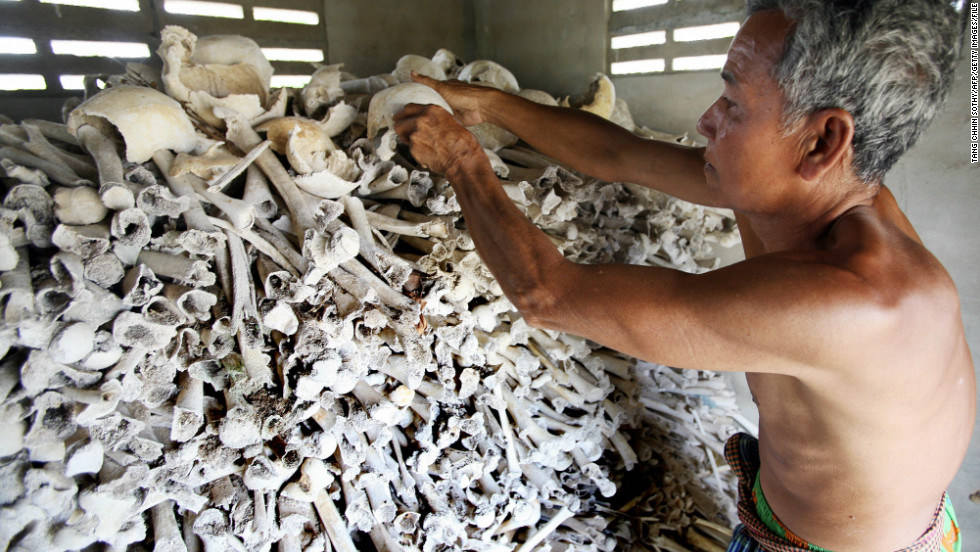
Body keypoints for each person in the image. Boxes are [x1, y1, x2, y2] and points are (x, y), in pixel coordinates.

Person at [393, 0, 975, 550]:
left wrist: (462, 162)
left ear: (822, 140)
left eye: (734, 105)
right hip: (803, 510)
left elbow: (547, 294)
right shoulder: (805, 192)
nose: (706, 120)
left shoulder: (848, 302)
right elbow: (621, 155)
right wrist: (486, 105)